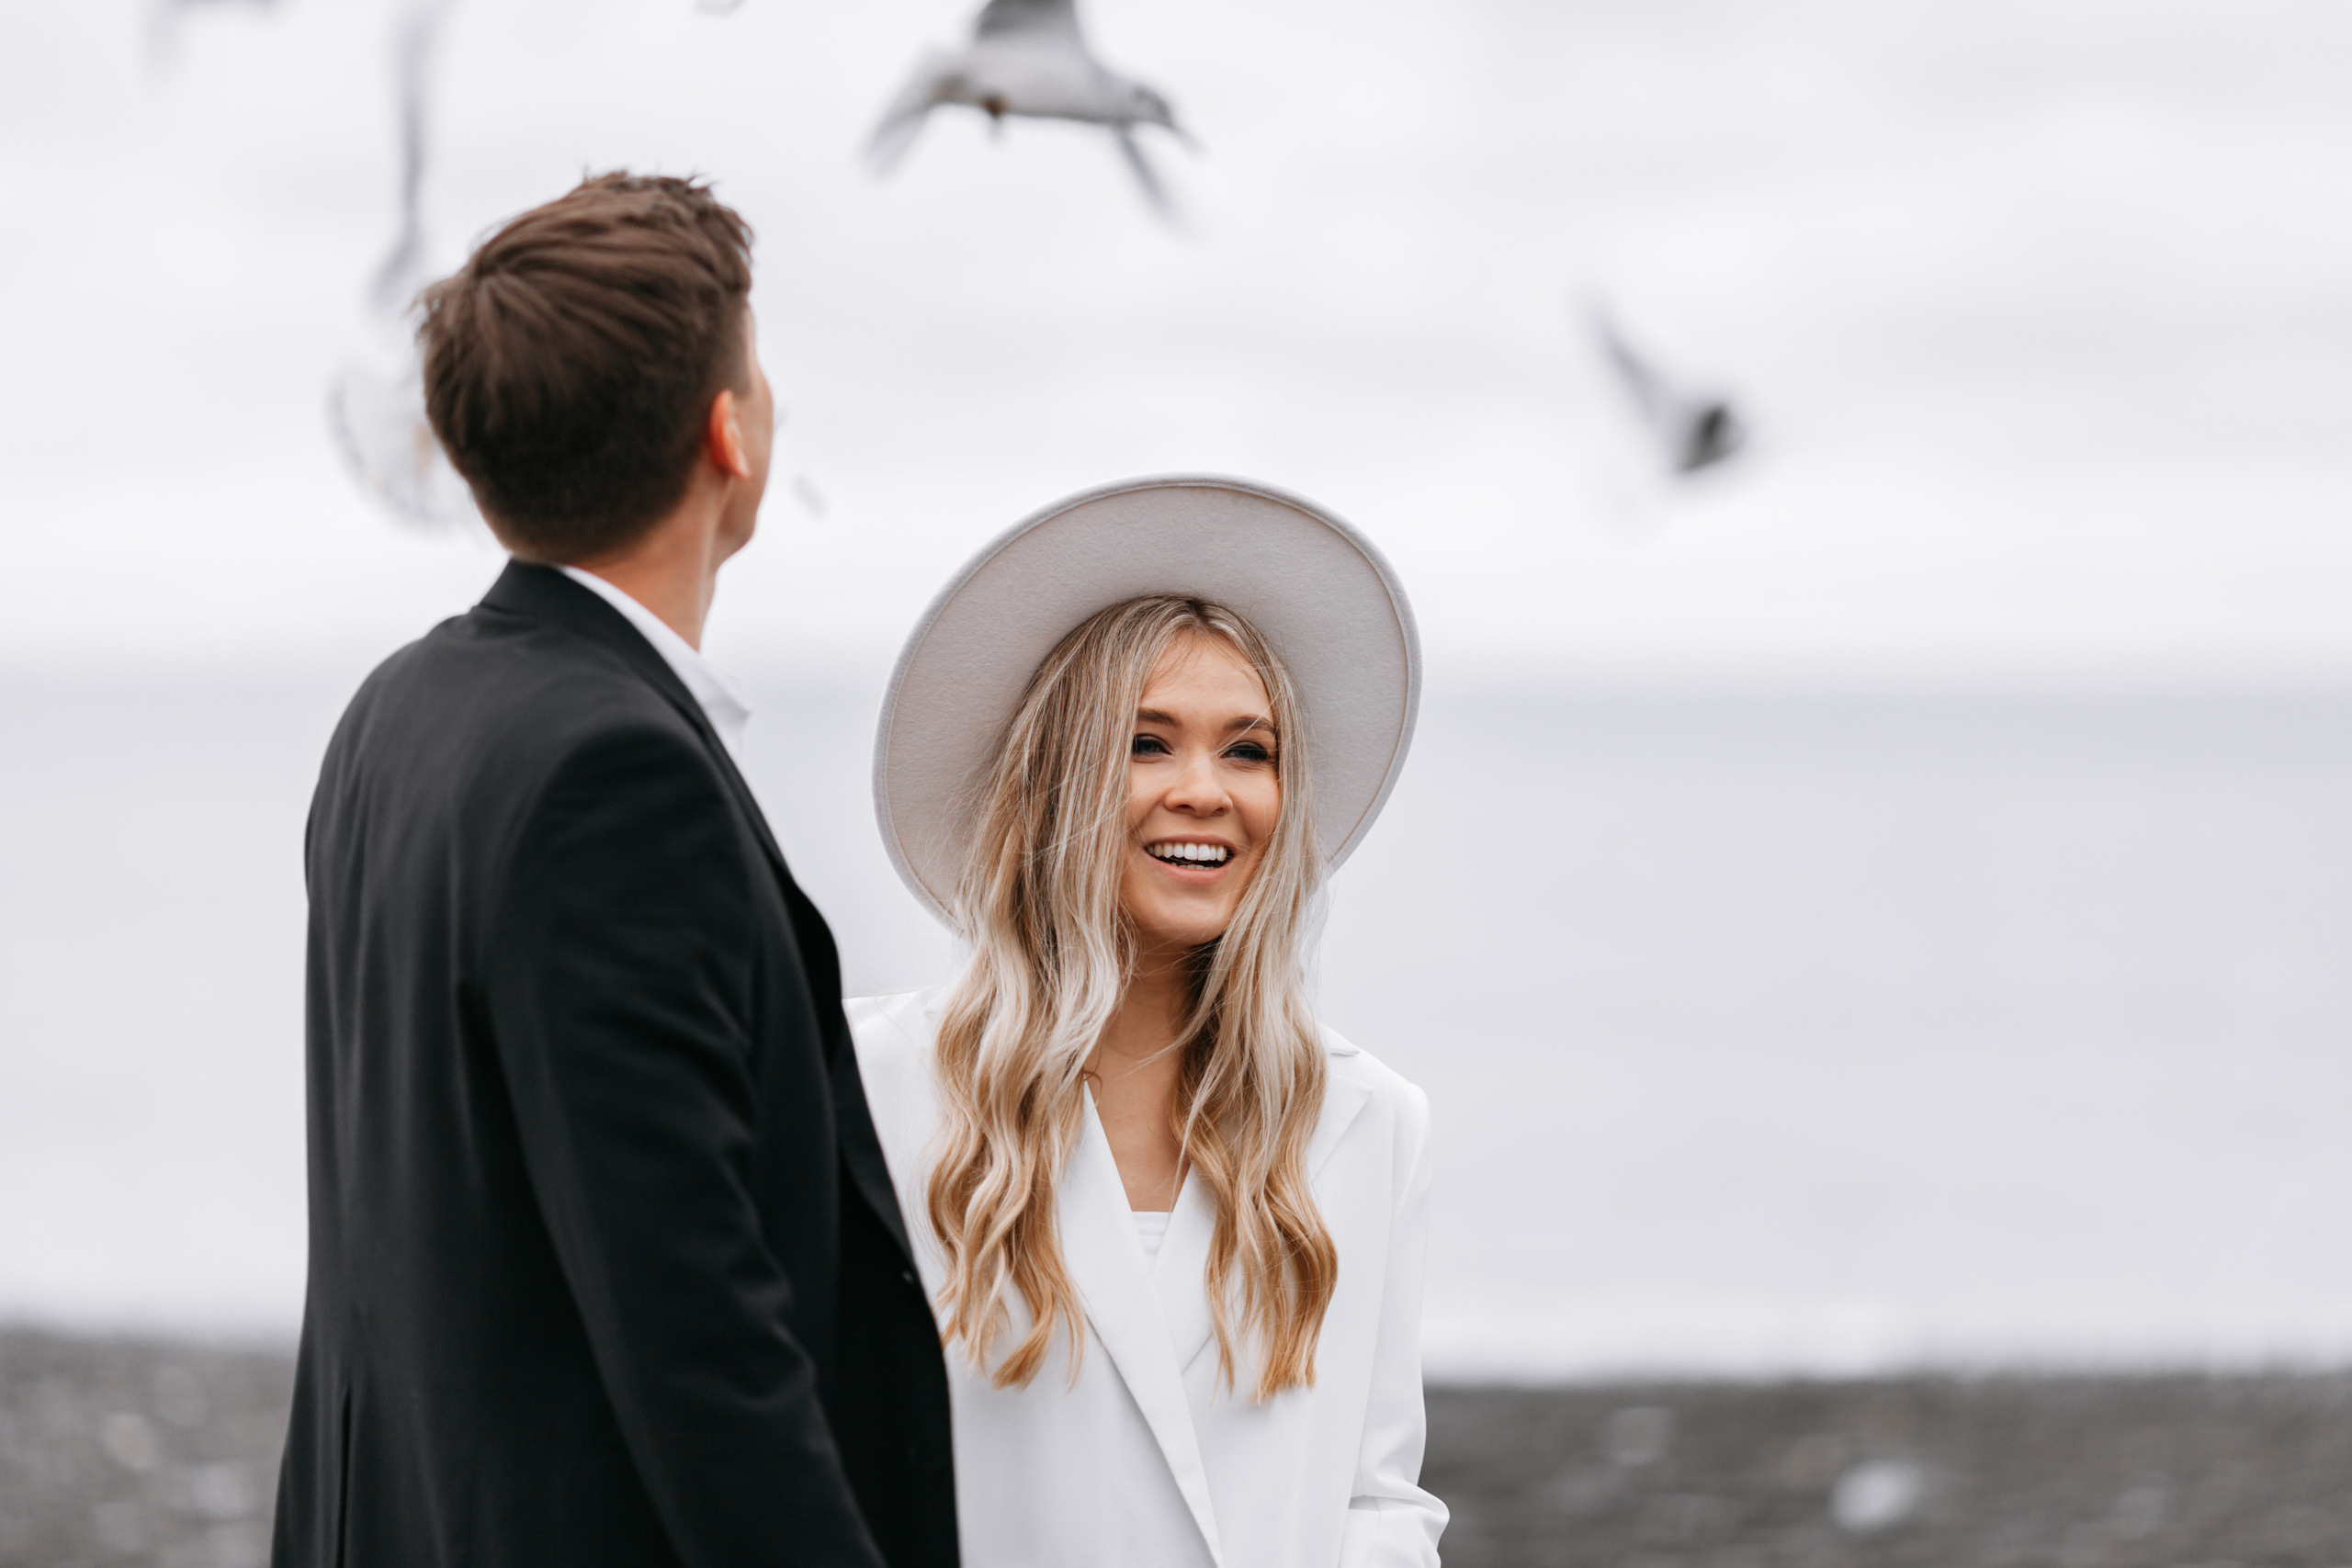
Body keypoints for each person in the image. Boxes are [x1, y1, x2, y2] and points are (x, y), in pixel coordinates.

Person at [273, 173, 956, 1568]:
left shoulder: (394, 712)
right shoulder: (618, 779)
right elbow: (698, 1339)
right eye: (756, 372)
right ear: (729, 433)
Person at [850, 476, 1448, 1568]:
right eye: (1146, 742)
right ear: (1057, 783)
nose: (1205, 791)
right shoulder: (869, 1089)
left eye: (1248, 750)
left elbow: (1376, 1498)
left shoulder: (1371, 1122)